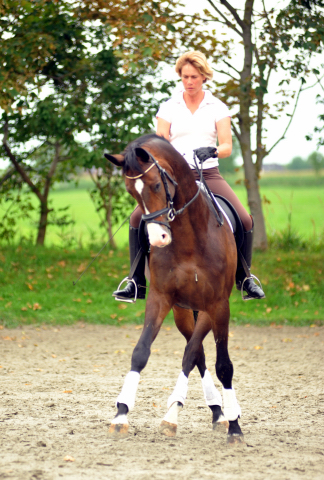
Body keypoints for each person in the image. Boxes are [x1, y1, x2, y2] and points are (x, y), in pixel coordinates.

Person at [113, 50, 265, 302]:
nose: (189, 82)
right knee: (136, 218)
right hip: (174, 176)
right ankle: (135, 281)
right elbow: (160, 142)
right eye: (185, 77)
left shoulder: (218, 107)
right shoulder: (169, 107)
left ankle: (245, 278)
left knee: (245, 220)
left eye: (194, 77)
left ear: (204, 77)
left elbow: (226, 145)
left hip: (209, 173)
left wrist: (213, 150)